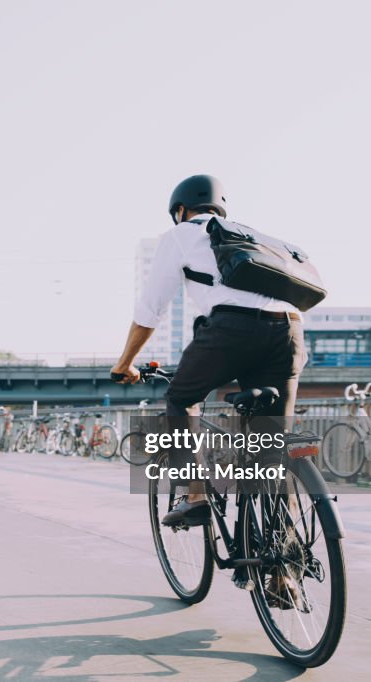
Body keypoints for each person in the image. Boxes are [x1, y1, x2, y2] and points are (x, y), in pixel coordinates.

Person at [110, 174, 306, 601]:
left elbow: (149, 310)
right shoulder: (255, 234)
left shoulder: (182, 233)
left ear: (181, 209)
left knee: (181, 399)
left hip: (232, 331)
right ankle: (283, 574)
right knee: (272, 450)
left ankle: (196, 491)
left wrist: (124, 364)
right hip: (290, 333)